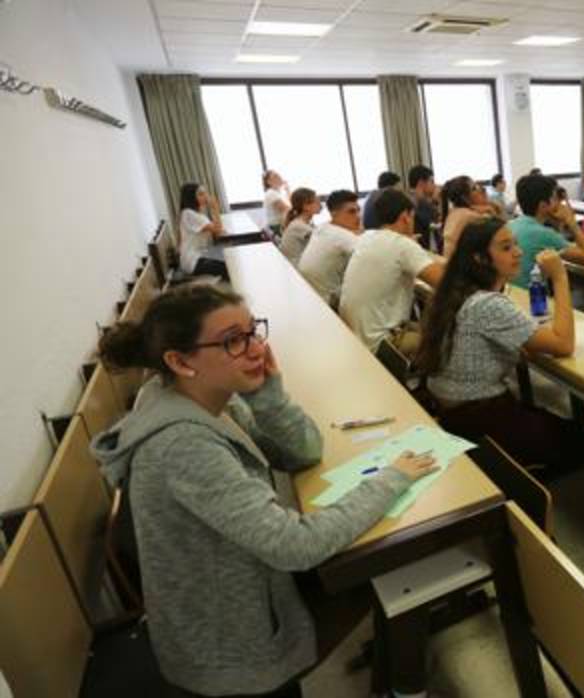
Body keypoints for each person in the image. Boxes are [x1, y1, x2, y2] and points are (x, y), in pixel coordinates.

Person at [91, 283, 439, 697]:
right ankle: (406, 682)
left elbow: (304, 451)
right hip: (231, 652)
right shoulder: (181, 444)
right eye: (232, 341)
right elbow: (295, 546)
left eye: (252, 331)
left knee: (383, 558)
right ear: (181, 361)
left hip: (247, 592)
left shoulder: (199, 393)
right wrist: (392, 477)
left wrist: (267, 393)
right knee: (395, 561)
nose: (255, 348)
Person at [416, 217, 584, 476]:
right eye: (506, 248)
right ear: (480, 259)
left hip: (453, 412)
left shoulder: (456, 291)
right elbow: (564, 344)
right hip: (480, 421)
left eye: (515, 245)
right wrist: (560, 278)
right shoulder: (488, 304)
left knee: (545, 417)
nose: (518, 252)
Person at [338, 189, 445, 354]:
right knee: (450, 341)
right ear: (405, 217)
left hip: (358, 337)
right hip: (382, 344)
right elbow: (446, 283)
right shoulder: (401, 245)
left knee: (429, 326)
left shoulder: (368, 237)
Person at [510, 174, 584, 289]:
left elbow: (555, 244)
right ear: (543, 205)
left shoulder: (511, 224)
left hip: (514, 294)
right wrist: (571, 222)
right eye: (555, 198)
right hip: (534, 301)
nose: (559, 203)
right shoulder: (542, 234)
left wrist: (557, 224)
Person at [298, 190, 362, 308]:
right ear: (333, 213)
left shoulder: (321, 228)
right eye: (351, 212)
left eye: (359, 210)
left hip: (307, 294)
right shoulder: (342, 236)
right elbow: (370, 255)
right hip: (327, 302)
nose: (358, 216)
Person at [177, 183, 228, 279]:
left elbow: (217, 233)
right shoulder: (188, 214)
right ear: (191, 197)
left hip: (200, 255)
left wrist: (218, 229)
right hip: (192, 260)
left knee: (229, 260)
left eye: (205, 193)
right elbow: (218, 229)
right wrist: (215, 208)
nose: (205, 196)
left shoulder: (198, 215)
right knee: (228, 267)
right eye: (201, 194)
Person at [440, 176, 495, 258]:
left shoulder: (454, 212)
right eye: (474, 188)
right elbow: (500, 233)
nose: (481, 189)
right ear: (464, 198)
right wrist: (491, 210)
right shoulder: (471, 217)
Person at [278, 187, 319, 266]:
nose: (319, 204)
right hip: (296, 268)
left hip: (297, 264)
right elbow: (322, 242)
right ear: (306, 206)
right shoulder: (299, 226)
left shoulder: (303, 222)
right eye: (316, 202)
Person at [407, 164, 438, 250]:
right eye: (431, 181)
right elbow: (434, 223)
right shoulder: (418, 203)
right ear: (421, 183)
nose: (434, 186)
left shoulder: (408, 197)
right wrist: (436, 202)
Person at [262, 170, 291, 236]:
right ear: (268, 182)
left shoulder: (278, 193)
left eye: (279, 175)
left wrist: (287, 189)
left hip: (282, 225)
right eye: (275, 176)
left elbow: (291, 204)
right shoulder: (271, 193)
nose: (279, 177)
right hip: (278, 227)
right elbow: (287, 209)